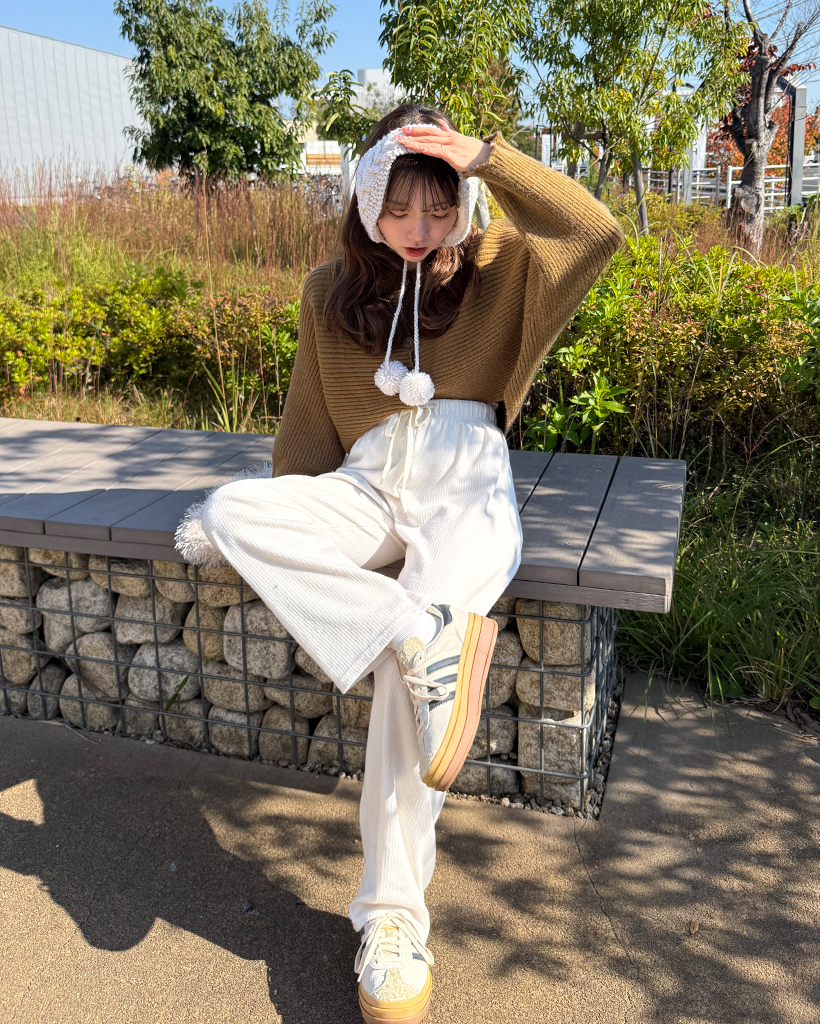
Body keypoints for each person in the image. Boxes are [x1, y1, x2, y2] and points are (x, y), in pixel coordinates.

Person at [192, 103, 622, 1024]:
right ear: (364, 202)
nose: (419, 228)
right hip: (365, 482)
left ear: (463, 199)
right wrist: (279, 528)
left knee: (400, 684)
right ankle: (419, 630)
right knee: (229, 512)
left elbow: (595, 231)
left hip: (468, 484)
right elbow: (308, 427)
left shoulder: (504, 265)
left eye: (438, 205)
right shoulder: (328, 290)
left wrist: (487, 156)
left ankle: (391, 919)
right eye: (397, 208)